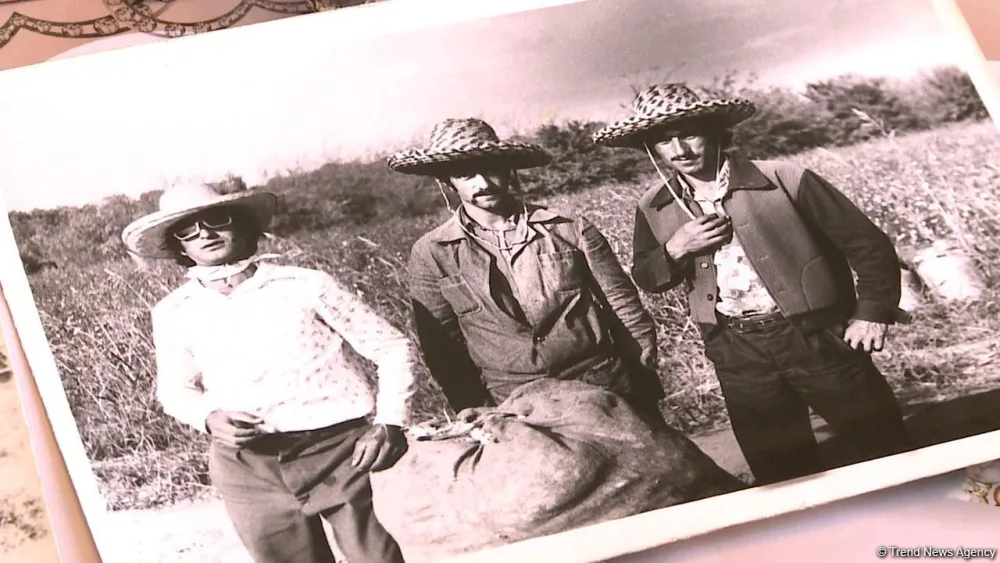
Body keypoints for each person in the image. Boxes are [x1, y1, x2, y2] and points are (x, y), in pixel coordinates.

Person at [592, 83, 916, 485]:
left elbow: (868, 246)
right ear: (651, 149)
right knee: (781, 472)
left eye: (689, 134)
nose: (679, 150)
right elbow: (647, 278)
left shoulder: (783, 179)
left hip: (819, 338)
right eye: (663, 140)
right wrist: (676, 249)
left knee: (885, 451)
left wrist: (871, 314)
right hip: (736, 351)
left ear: (714, 131)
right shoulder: (653, 206)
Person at [121, 180, 416, 563]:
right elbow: (175, 390)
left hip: (341, 449)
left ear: (243, 224)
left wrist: (391, 421)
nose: (204, 233)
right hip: (247, 465)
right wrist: (208, 417)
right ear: (179, 246)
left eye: (216, 219)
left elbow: (391, 346)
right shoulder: (173, 311)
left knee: (376, 557)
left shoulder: (305, 285)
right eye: (187, 229)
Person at [387, 117, 667, 427]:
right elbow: (441, 346)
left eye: (490, 168)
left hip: (602, 383)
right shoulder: (432, 252)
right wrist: (470, 404)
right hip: (514, 402)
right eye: (465, 175)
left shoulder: (568, 227)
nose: (483, 184)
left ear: (508, 168)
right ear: (447, 182)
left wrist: (642, 367)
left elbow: (620, 300)